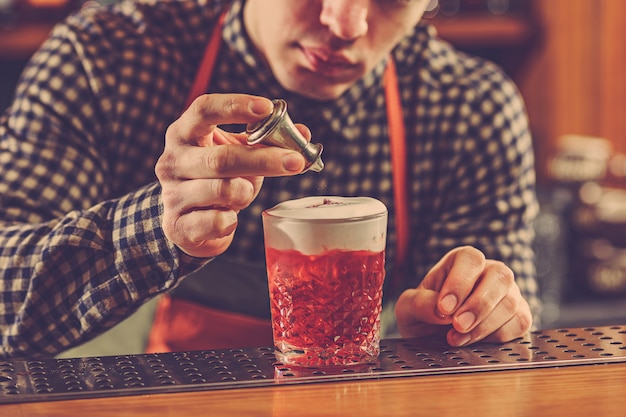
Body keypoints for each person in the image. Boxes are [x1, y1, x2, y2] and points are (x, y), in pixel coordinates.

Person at [0, 0, 539, 359]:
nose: (346, 25)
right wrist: (156, 226)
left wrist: (465, 323)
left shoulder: (471, 108)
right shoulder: (105, 57)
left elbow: (502, 346)